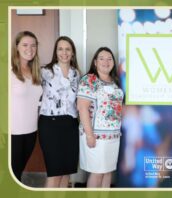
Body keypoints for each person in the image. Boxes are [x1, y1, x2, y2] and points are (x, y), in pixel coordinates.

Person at [77, 47, 124, 188]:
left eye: (110, 58)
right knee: (97, 173)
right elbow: (82, 108)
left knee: (108, 172)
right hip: (95, 136)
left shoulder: (115, 81)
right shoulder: (89, 80)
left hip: (113, 136)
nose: (106, 61)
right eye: (102, 58)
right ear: (95, 62)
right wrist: (90, 135)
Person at [38, 36, 81, 187]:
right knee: (54, 174)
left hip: (70, 125)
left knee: (66, 174)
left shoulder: (76, 74)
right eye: (60, 49)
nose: (64, 52)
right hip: (50, 125)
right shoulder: (44, 71)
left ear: (73, 53)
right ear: (55, 52)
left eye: (68, 49)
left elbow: (78, 102)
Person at [10, 31, 42, 181]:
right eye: (25, 45)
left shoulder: (35, 71)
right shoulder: (7, 70)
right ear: (16, 47)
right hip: (11, 133)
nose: (29, 49)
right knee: (12, 175)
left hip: (31, 132)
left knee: (18, 173)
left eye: (33, 45)